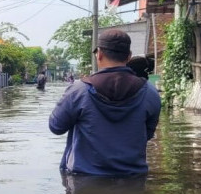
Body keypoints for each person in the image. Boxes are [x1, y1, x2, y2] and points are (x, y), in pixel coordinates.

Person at [49, 29, 161, 176]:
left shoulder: (78, 91)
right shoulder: (150, 93)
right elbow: (147, 134)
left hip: (84, 180)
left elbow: (56, 127)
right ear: (129, 57)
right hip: (133, 179)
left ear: (99, 54)